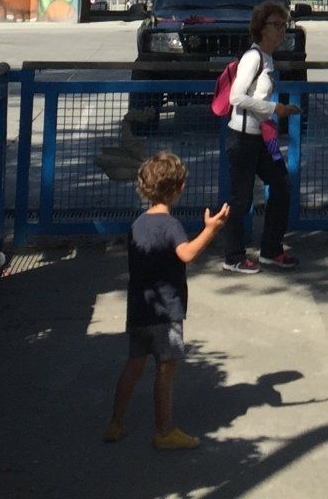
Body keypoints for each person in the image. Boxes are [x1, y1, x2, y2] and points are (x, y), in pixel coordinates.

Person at [104, 152, 229, 450]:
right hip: (166, 312)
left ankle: (116, 423)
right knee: (166, 370)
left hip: (138, 308)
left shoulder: (137, 224)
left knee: (133, 365)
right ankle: (164, 431)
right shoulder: (171, 225)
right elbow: (186, 254)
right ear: (178, 188)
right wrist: (210, 230)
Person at [221, 0, 301, 272]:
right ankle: (232, 257)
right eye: (276, 25)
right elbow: (236, 97)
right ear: (261, 28)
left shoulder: (267, 59)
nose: (281, 31)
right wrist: (274, 108)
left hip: (260, 138)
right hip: (243, 138)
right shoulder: (253, 58)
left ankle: (271, 249)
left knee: (281, 185)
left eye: (284, 25)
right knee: (240, 198)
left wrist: (276, 111)